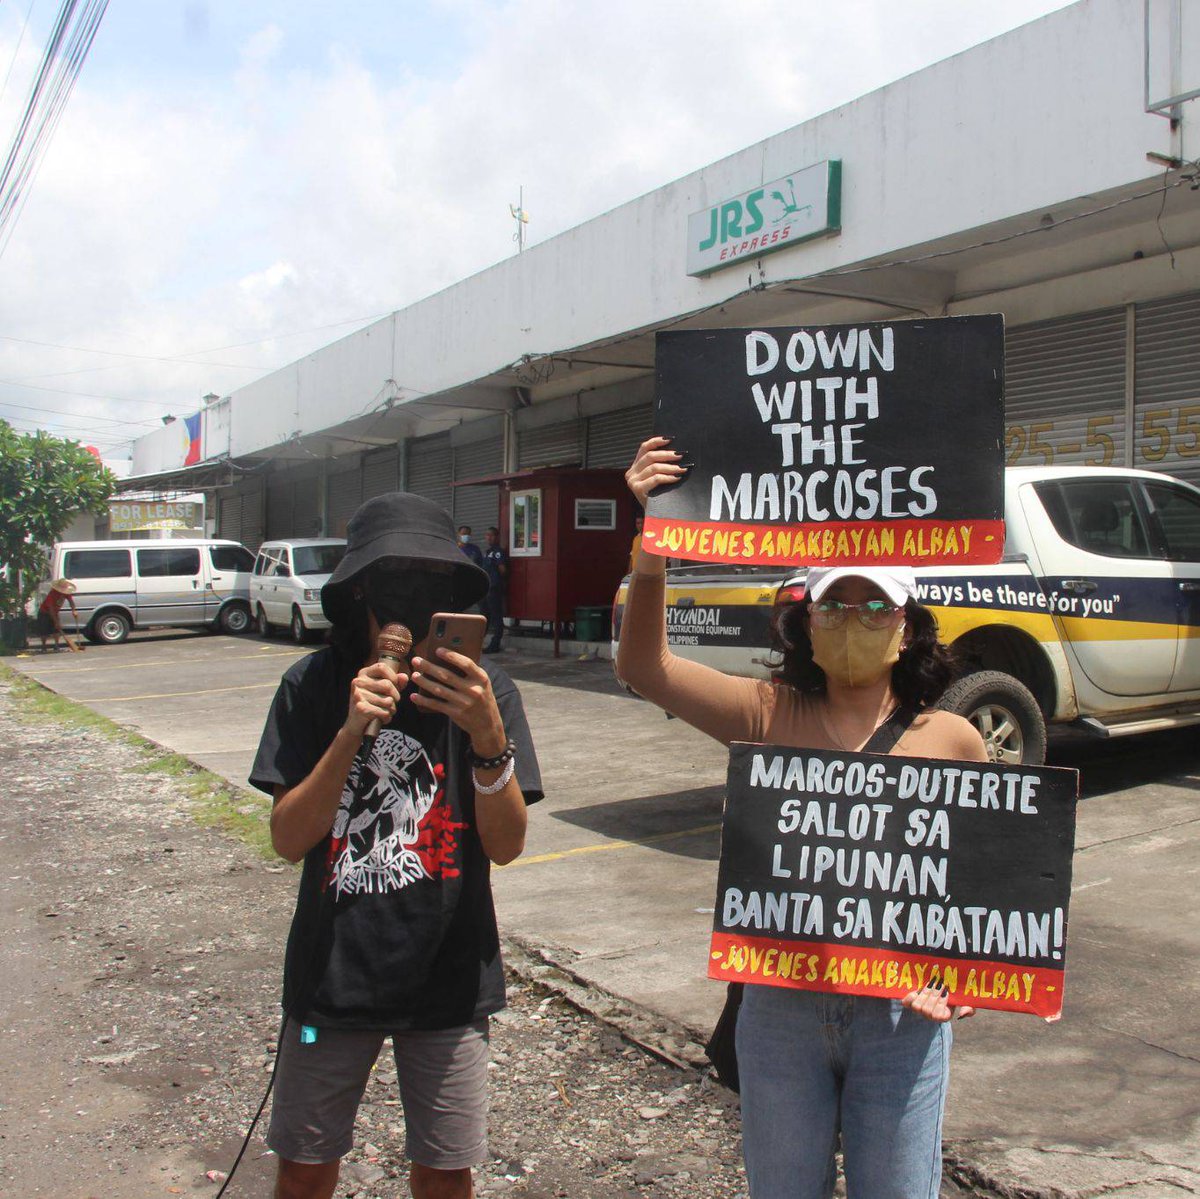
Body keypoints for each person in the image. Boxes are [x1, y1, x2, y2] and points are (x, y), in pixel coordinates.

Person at [617, 437, 988, 1199]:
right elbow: (642, 667)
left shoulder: (955, 739)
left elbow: (980, 894)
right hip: (779, 1008)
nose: (855, 617)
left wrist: (964, 977)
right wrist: (652, 544)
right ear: (806, 622)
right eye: (835, 604)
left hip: (900, 1021)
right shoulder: (763, 711)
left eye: (874, 604)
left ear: (908, 625)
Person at [250, 492, 543, 1199]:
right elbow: (289, 837)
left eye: (428, 585)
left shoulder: (487, 691)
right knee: (304, 1163)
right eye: (390, 587)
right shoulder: (313, 684)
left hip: (447, 982)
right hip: (331, 982)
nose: (407, 612)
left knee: (445, 1170)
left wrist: (488, 741)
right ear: (358, 599)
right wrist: (351, 730)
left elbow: (504, 845)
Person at [481, 527, 508, 654]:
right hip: (486, 588)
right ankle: (479, 641)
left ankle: (495, 643)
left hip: (494, 588)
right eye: (487, 535)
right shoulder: (488, 552)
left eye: (492, 535)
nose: (489, 537)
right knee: (484, 616)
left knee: (496, 617)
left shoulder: (498, 551)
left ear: (497, 537)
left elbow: (502, 569)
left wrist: (497, 581)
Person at [36, 578, 80, 652]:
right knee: (44, 630)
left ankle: (56, 646)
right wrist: (56, 621)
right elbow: (51, 609)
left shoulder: (66, 593)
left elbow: (71, 602)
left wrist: (74, 610)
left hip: (55, 612)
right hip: (45, 612)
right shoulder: (52, 594)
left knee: (57, 630)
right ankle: (43, 647)